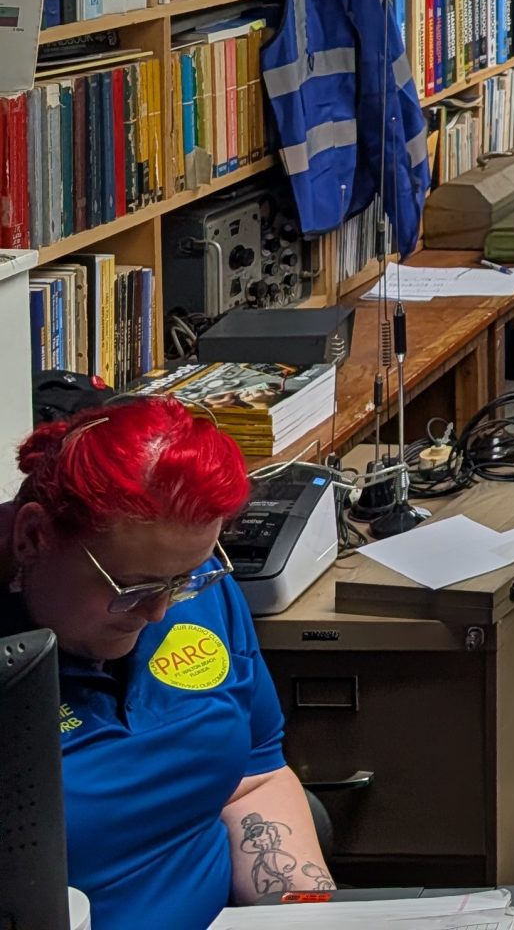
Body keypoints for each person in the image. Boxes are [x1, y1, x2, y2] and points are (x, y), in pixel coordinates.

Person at [5, 398, 337, 929]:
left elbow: (255, 778)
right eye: (132, 587)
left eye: (183, 579)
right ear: (33, 538)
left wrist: (309, 917)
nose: (159, 611)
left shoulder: (194, 589)